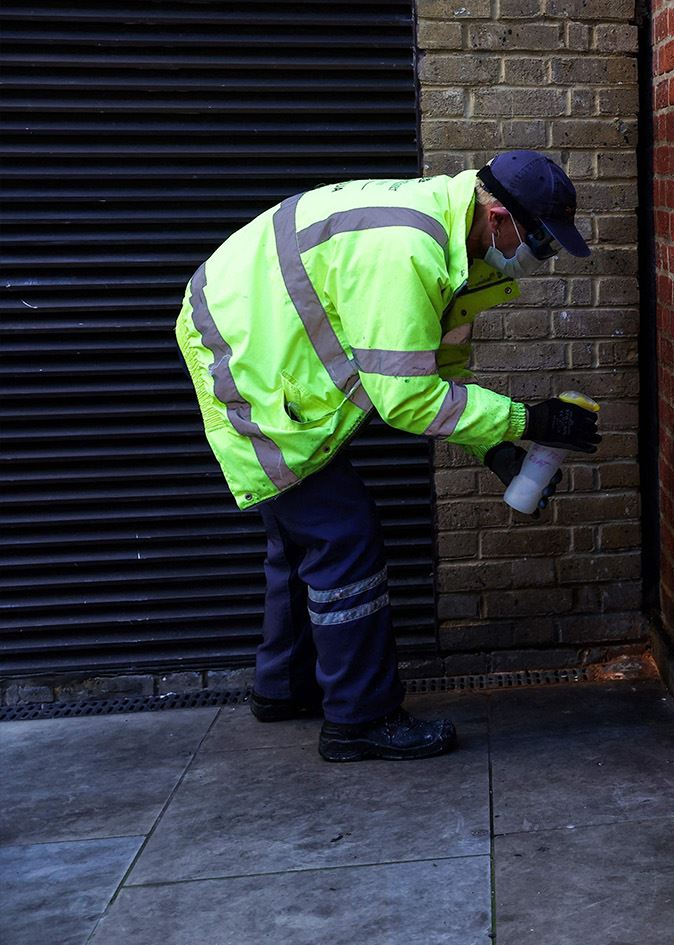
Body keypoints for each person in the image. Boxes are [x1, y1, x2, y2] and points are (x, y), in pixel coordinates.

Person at [175, 151, 602, 762]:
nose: (538, 256)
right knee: (343, 534)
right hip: (245, 354)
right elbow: (407, 400)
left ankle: (284, 687)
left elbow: (439, 372)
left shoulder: (454, 246)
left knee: (301, 532)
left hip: (252, 335)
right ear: (499, 216)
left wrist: (496, 449)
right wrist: (529, 420)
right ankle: (360, 719)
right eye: (538, 240)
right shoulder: (408, 251)